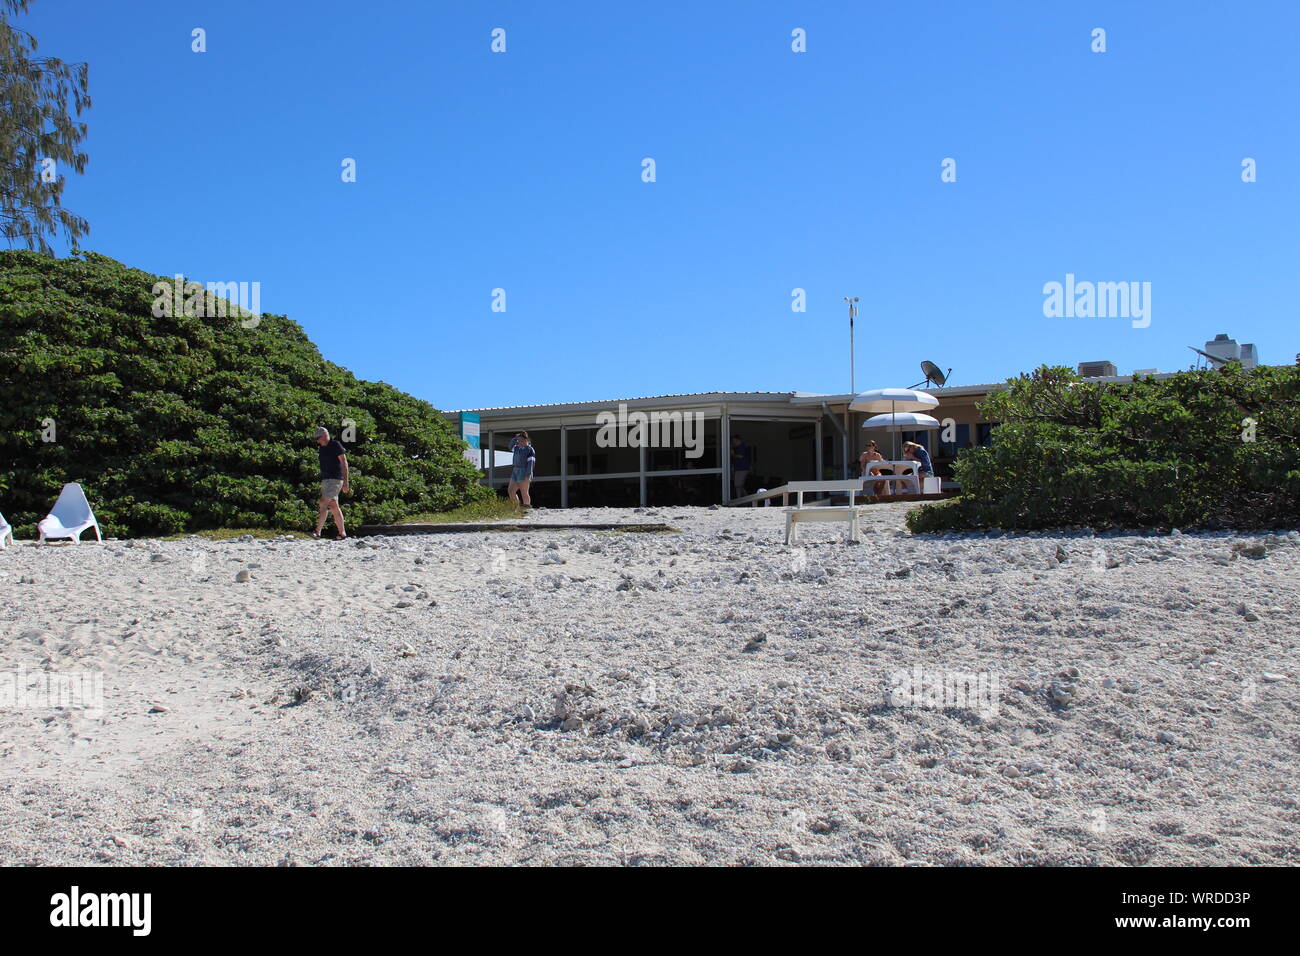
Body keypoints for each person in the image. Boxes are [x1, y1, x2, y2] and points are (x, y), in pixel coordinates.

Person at [311, 426, 350, 539]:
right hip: (326, 480)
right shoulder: (322, 448)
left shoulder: (335, 445)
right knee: (333, 506)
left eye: (318, 438)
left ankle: (317, 531)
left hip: (335, 479)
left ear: (324, 436)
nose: (317, 441)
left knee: (323, 502)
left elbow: (344, 462)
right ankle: (342, 533)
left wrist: (346, 482)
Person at [507, 431, 535, 509]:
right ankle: (516, 508)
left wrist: (528, 475)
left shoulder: (530, 450)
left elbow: (531, 464)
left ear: (525, 440)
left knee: (524, 492)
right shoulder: (516, 448)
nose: (518, 442)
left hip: (524, 471)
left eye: (520, 440)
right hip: (515, 471)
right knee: (511, 491)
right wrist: (515, 438)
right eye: (518, 440)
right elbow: (510, 446)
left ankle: (527, 508)